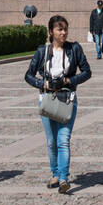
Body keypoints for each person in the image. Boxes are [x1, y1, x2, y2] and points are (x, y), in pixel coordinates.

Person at [24, 14, 91, 193]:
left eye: (65, 29)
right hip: (47, 99)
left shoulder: (74, 49)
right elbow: (28, 76)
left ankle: (63, 178)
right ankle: (55, 173)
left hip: (67, 99)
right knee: (51, 141)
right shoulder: (42, 51)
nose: (63, 33)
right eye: (59, 29)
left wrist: (69, 80)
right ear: (51, 32)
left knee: (63, 140)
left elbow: (87, 72)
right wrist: (43, 83)